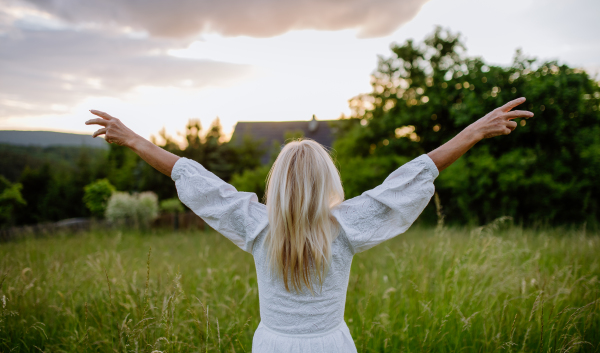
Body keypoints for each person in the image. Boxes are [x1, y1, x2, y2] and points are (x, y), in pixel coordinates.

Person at [86, 97, 533, 352]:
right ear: (328, 183)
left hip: (273, 346)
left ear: (276, 184)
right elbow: (414, 175)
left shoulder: (255, 224)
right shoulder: (348, 223)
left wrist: (133, 139)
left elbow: (190, 174)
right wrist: (473, 131)